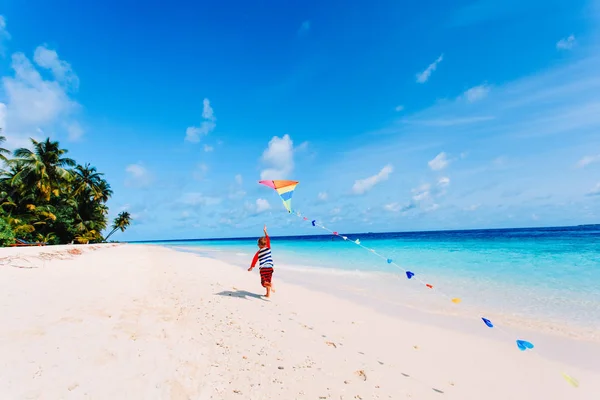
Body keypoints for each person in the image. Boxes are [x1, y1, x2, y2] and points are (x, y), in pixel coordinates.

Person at [248, 225, 275, 297]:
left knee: (264, 283)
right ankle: (268, 294)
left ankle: (269, 285)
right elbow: (268, 238)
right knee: (268, 280)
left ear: (259, 245)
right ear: (266, 244)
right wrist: (265, 231)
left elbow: (254, 260)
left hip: (263, 269)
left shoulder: (258, 252)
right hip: (270, 268)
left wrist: (251, 267)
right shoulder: (268, 247)